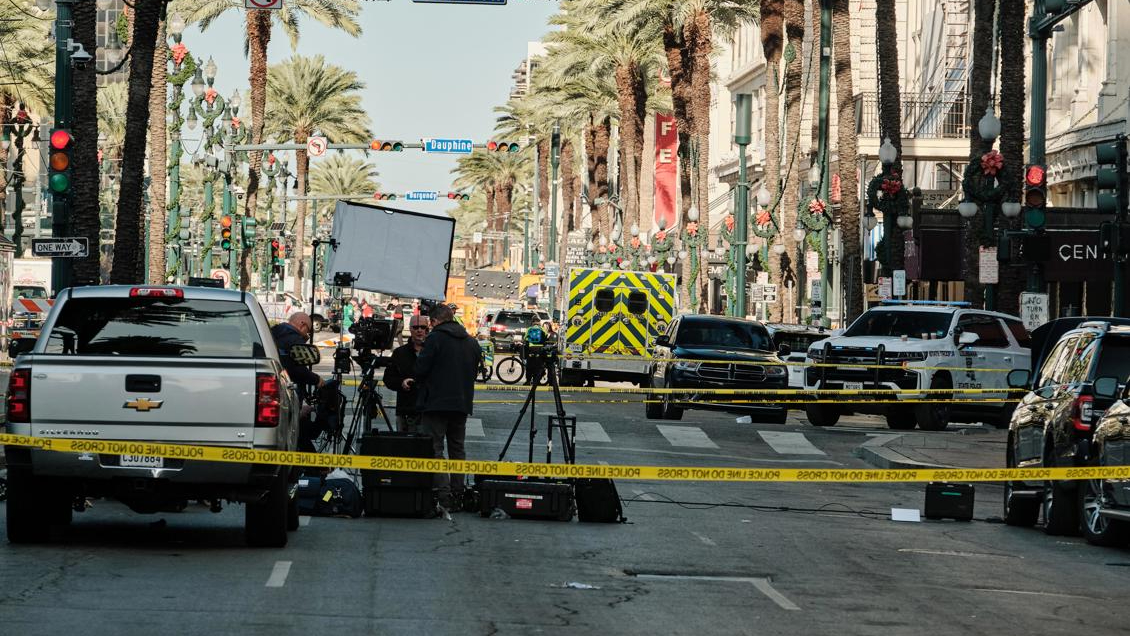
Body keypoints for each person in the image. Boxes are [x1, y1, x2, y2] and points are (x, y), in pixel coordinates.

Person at [414, 303, 482, 509]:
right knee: (457, 449)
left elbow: (421, 370)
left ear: (435, 321)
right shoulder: (471, 342)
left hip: (436, 403)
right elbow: (474, 372)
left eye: (430, 323)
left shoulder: (435, 339)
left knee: (435, 449)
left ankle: (443, 495)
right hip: (461, 403)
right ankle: (458, 493)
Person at [271, 312, 325, 452]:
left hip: (276, 394)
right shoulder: (295, 339)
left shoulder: (273, 334)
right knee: (299, 435)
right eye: (308, 330)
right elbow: (297, 370)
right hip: (289, 397)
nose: (307, 334)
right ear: (302, 324)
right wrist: (317, 380)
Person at [382, 315, 430, 433]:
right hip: (406, 409)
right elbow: (388, 378)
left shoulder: (434, 351)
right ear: (410, 329)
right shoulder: (400, 353)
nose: (419, 330)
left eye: (423, 327)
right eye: (416, 327)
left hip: (429, 410)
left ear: (427, 330)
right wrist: (401, 383)